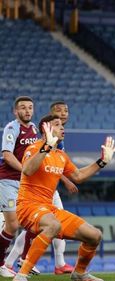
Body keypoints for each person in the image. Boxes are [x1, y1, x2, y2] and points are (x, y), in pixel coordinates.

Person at [13, 115, 115, 281]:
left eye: (62, 125)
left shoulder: (61, 155)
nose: (62, 128)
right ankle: (21, 274)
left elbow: (78, 176)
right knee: (53, 225)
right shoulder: (34, 148)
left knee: (94, 235)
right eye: (57, 125)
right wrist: (46, 147)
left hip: (49, 209)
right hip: (28, 206)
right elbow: (27, 170)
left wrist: (102, 162)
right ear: (45, 129)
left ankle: (79, 273)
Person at [5, 101, 77, 275]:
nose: (63, 114)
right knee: (37, 225)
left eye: (66, 110)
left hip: (48, 186)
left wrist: (66, 180)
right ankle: (15, 262)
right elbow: (37, 161)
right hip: (35, 186)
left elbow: (57, 163)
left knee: (41, 226)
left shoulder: (59, 135)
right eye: (58, 111)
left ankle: (15, 262)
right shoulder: (43, 135)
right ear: (50, 116)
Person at [0, 96, 37, 278]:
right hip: (7, 180)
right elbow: (7, 155)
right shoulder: (12, 128)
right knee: (13, 225)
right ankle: (2, 264)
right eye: (23, 108)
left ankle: (24, 260)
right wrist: (26, 170)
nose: (27, 111)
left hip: (24, 183)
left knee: (33, 221)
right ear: (16, 111)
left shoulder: (34, 129)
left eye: (30, 107)